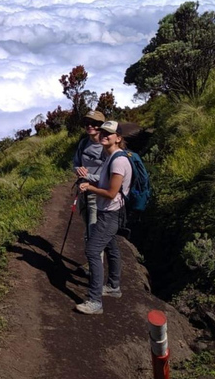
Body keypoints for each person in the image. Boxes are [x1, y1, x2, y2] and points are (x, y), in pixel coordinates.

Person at [75, 121, 132, 315]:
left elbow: (111, 192)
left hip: (110, 212)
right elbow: (104, 181)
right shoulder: (111, 157)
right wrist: (88, 178)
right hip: (110, 212)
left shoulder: (118, 161)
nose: (105, 135)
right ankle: (114, 287)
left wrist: (89, 188)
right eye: (104, 131)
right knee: (111, 246)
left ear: (118, 138)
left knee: (92, 250)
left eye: (110, 133)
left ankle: (95, 301)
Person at [72, 110, 106, 243]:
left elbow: (108, 176)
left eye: (94, 123)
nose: (89, 126)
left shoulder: (106, 147)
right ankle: (92, 262)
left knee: (93, 233)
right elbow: (75, 163)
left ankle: (94, 263)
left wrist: (88, 177)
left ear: (101, 125)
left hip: (97, 193)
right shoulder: (84, 143)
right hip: (82, 192)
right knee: (88, 229)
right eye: (87, 123)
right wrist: (78, 170)